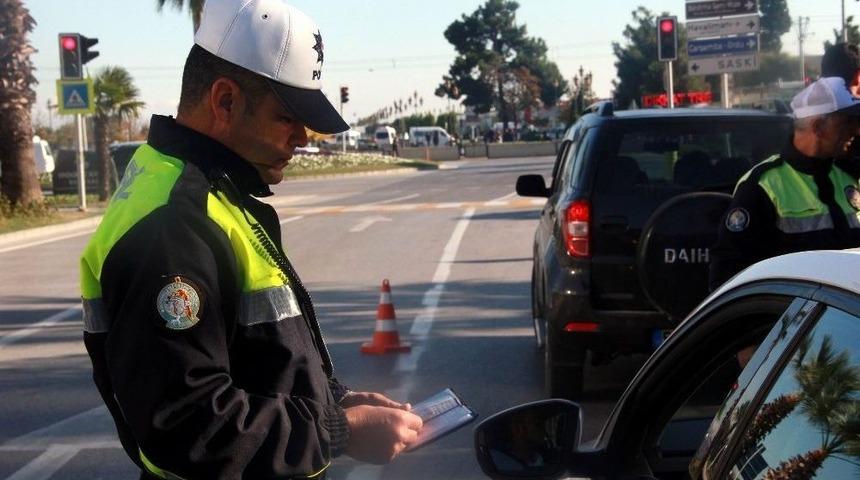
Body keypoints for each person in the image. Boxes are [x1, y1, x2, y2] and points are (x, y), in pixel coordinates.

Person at [79, 1, 422, 478]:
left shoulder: (211, 192)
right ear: (224, 101)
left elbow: (254, 358)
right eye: (287, 117)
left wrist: (333, 402)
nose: (302, 138)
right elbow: (188, 424)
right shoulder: (175, 223)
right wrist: (337, 431)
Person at [709, 77, 860, 290]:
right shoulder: (762, 185)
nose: (856, 130)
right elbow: (728, 273)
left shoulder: (849, 174)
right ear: (818, 127)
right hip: (793, 318)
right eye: (847, 122)